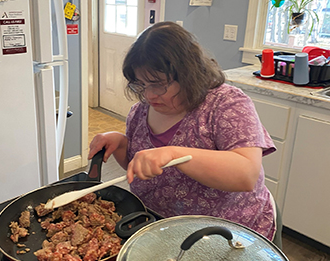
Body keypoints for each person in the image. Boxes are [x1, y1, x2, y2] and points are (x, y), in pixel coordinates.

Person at [88, 21, 279, 243]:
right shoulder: (140, 111)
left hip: (225, 236)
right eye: (141, 85)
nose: (149, 95)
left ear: (188, 74)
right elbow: (143, 169)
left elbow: (246, 174)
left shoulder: (226, 104)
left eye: (158, 84)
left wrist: (174, 154)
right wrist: (121, 143)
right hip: (159, 229)